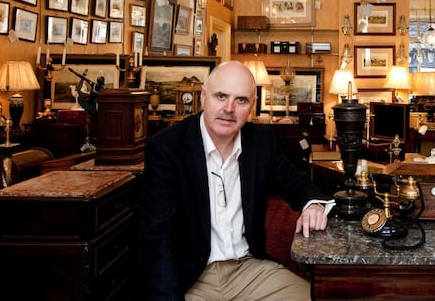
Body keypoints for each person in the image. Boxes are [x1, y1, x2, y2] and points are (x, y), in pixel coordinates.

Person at [135, 61, 333, 300]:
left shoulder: (261, 141)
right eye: (221, 96)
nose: (229, 108)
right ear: (203, 97)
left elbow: (297, 185)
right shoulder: (167, 148)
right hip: (190, 276)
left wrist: (312, 205)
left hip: (248, 270)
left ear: (252, 105)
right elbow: (157, 238)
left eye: (241, 100)